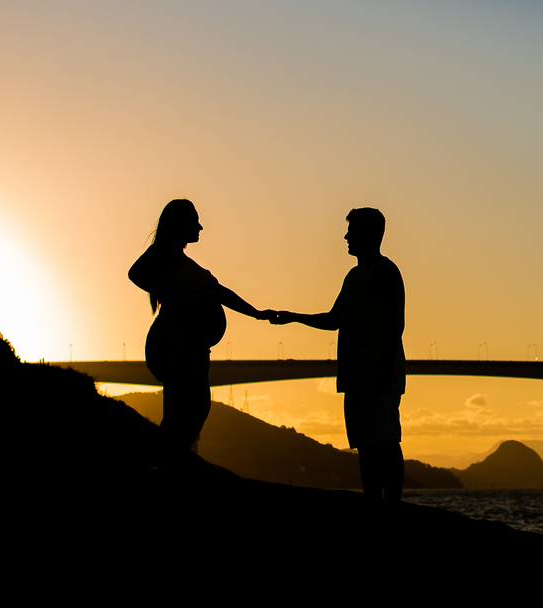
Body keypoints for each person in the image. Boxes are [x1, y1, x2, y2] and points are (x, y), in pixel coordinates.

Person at [272, 208, 406, 501]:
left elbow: (397, 324)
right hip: (357, 374)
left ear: (369, 234)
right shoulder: (354, 275)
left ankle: (393, 504)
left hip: (377, 372)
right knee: (365, 443)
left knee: (385, 439)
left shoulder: (386, 272)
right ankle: (373, 500)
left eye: (352, 231)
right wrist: (293, 317)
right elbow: (335, 320)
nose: (346, 236)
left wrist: (383, 370)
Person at [129, 199, 272, 462]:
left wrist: (257, 314)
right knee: (186, 411)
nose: (200, 227)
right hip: (178, 346)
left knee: (190, 410)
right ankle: (161, 464)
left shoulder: (185, 264)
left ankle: (165, 463)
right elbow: (136, 273)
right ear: (179, 224)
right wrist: (172, 296)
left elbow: (220, 292)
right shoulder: (164, 254)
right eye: (194, 221)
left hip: (192, 349)